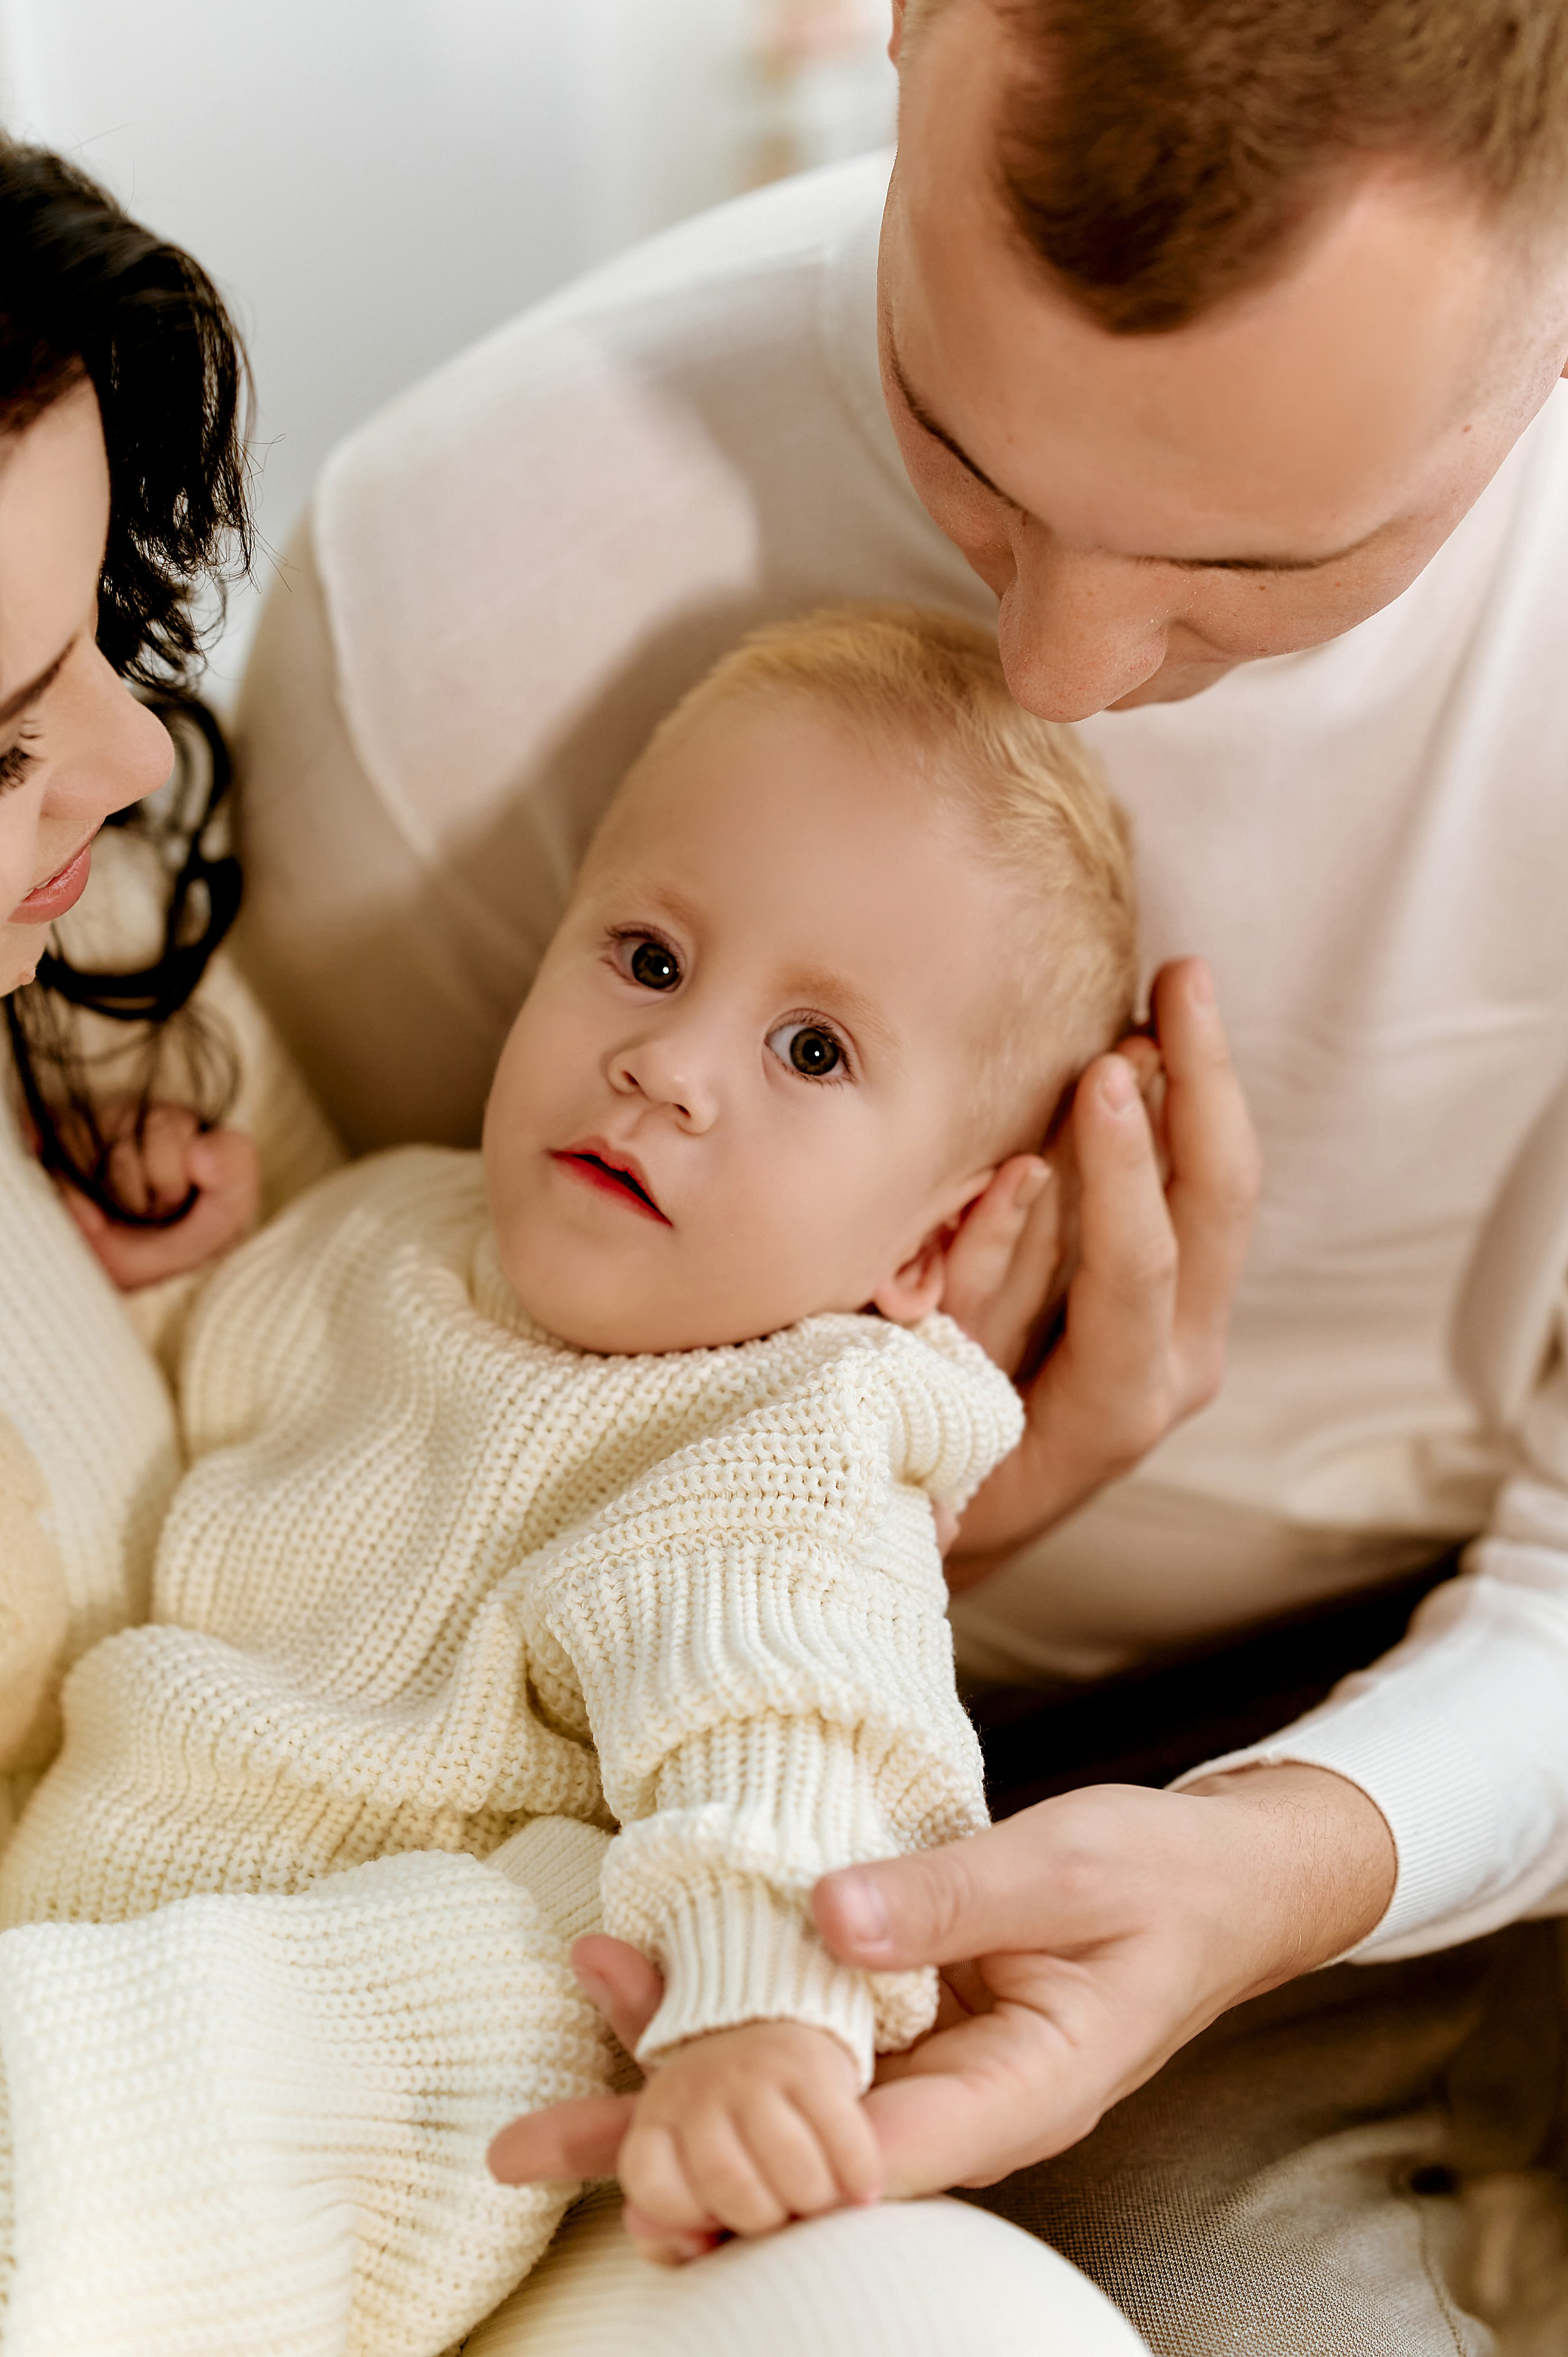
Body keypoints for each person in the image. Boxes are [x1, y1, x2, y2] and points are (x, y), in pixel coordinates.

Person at [230, 0, 1568, 2348]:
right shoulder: (466, 573)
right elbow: (374, 1376)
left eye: (1254, 568)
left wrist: (1290, 1860)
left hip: (1395, 1722)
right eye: (960, 446)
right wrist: (922, 1537)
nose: (1060, 667)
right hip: (670, 1724)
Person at [13, 606, 1151, 2348]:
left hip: (391, 2084)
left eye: (814, 1052)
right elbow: (197, 1463)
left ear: (933, 1243)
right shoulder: (386, 1233)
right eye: (649, 957)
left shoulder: (783, 1428)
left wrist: (761, 2025)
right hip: (97, 1924)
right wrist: (182, 1274)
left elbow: (800, 1740)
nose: (668, 1069)